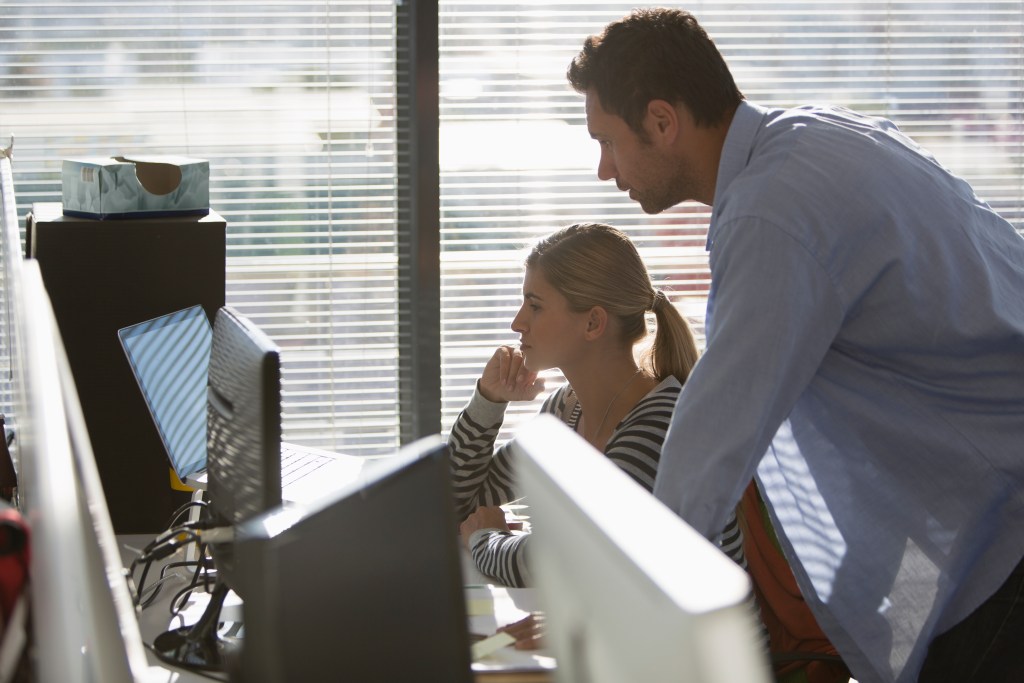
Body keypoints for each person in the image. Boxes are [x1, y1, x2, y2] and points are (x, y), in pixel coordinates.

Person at [567, 8, 1024, 683]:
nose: (604, 169)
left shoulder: (770, 212)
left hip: (1000, 531)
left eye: (607, 140)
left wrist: (620, 618)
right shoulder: (815, 135)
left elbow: (711, 440)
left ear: (663, 122)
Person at [448, 222, 746, 589]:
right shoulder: (566, 410)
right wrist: (487, 403)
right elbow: (456, 507)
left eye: (535, 306)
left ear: (593, 322)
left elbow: (561, 560)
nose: (517, 323)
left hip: (689, 647)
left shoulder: (659, 426)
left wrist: (485, 539)